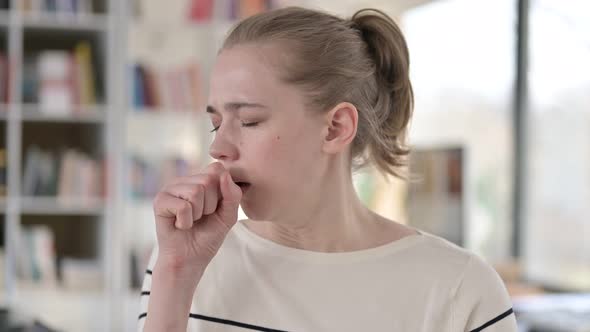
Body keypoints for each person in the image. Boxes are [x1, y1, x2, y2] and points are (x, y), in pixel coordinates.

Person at [138, 6, 517, 332]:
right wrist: (175, 271)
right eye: (216, 123)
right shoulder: (182, 262)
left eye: (250, 121)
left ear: (336, 128)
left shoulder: (460, 288)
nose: (217, 148)